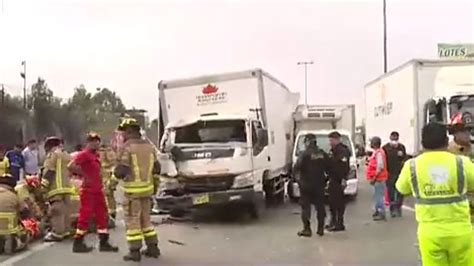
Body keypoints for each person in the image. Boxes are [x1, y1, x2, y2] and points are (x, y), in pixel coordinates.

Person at [396, 123, 474, 266]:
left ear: (423, 143)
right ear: (446, 141)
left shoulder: (412, 165)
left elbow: (401, 188)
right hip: (461, 231)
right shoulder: (462, 162)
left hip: (430, 233)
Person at [114, 118, 160, 262]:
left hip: (133, 192)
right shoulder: (149, 146)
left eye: (124, 133)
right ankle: (153, 248)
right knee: (146, 220)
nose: (123, 136)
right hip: (147, 191)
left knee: (132, 221)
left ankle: (134, 251)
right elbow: (157, 168)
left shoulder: (127, 147)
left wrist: (115, 174)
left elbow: (122, 170)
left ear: (129, 131)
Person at [68, 132, 118, 253]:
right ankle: (78, 242)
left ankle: (104, 242)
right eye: (92, 141)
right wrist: (84, 174)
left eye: (96, 141)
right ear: (88, 143)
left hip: (98, 190)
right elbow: (71, 166)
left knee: (102, 215)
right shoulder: (84, 154)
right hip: (88, 190)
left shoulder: (95, 155)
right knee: (85, 215)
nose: (95, 143)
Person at [293, 134, 329, 237]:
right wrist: (325, 180)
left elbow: (296, 169)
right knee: (320, 207)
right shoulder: (322, 154)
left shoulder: (304, 154)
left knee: (305, 208)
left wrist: (299, 182)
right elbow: (329, 169)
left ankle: (307, 229)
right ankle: (320, 229)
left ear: (307, 142)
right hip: (319, 185)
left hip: (306, 186)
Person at [41, 137, 74, 242]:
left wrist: (43, 186)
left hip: (56, 188)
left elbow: (49, 171)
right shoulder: (67, 155)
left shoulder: (52, 154)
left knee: (56, 211)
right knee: (66, 210)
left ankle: (57, 233)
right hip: (67, 187)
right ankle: (66, 230)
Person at [0, 169, 30, 254]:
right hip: (9, 229)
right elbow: (24, 210)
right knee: (13, 234)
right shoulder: (14, 196)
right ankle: (10, 247)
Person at [326, 131, 351, 231]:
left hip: (338, 180)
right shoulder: (333, 150)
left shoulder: (342, 151)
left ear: (337, 139)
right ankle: (333, 222)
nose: (330, 142)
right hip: (333, 179)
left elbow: (343, 167)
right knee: (332, 203)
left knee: (338, 203)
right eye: (330, 140)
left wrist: (343, 179)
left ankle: (339, 224)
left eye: (332, 140)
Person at [382, 131, 407, 217]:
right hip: (389, 173)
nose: (394, 141)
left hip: (399, 173)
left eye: (396, 139)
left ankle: (398, 207)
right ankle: (392, 209)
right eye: (393, 139)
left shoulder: (401, 147)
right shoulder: (385, 148)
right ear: (390, 138)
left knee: (400, 191)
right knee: (391, 192)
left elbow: (404, 159)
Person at [366, 136, 388, 221]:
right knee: (377, 196)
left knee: (379, 196)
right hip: (378, 178)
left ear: (374, 144)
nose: (370, 144)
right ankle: (377, 211)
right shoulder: (377, 152)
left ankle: (381, 212)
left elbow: (380, 167)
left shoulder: (379, 153)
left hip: (379, 178)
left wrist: (374, 177)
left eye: (371, 142)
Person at [98, 144, 118, 228]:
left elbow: (113, 165)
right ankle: (109, 215)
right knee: (108, 196)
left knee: (108, 196)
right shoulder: (109, 153)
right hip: (104, 177)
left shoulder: (108, 153)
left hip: (107, 178)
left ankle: (110, 216)